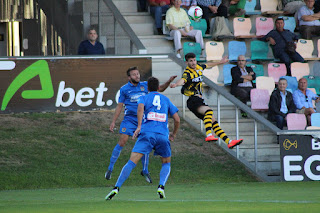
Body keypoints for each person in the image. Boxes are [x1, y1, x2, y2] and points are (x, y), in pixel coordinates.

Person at [105, 77, 180, 200]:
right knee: (166, 162)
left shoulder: (144, 97)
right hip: (162, 135)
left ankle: (116, 188)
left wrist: (139, 126)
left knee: (131, 162)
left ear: (147, 88)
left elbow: (140, 109)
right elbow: (177, 119)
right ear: (157, 87)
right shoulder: (166, 99)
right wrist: (174, 134)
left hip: (147, 133)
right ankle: (161, 186)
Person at [170, 52, 243, 148]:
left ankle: (229, 141)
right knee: (208, 111)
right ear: (186, 62)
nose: (193, 63)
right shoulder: (188, 73)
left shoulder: (199, 68)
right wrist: (176, 84)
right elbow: (183, 80)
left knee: (213, 121)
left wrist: (221, 62)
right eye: (191, 61)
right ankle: (209, 134)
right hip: (193, 100)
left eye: (194, 60)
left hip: (199, 100)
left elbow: (208, 65)